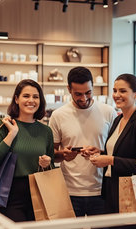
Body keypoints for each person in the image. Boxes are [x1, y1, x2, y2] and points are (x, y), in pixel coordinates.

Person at [86, 73, 136, 229]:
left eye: (122, 91)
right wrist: (99, 153)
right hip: (110, 191)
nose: (117, 95)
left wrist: (110, 160)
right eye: (115, 90)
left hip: (130, 194)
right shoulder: (118, 119)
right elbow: (118, 152)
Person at [49, 66, 116, 217]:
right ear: (69, 89)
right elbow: (50, 153)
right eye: (78, 94)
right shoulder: (58, 115)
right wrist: (63, 154)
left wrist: (100, 153)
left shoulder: (108, 112)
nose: (84, 98)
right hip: (69, 191)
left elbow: (116, 151)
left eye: (88, 92)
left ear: (93, 86)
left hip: (102, 189)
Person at [0, 79, 53, 222]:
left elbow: (49, 167)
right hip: (9, 194)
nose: (31, 100)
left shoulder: (45, 131)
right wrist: (11, 134)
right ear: (16, 99)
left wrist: (47, 163)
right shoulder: (3, 125)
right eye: (26, 96)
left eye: (35, 96)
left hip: (38, 194)